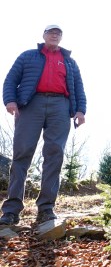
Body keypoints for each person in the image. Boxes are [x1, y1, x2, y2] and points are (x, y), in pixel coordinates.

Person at [0, 25, 86, 227]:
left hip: (61, 107)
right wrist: (10, 101)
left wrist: (81, 111)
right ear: (44, 36)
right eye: (51, 32)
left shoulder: (70, 62)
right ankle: (11, 210)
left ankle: (46, 209)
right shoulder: (28, 56)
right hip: (31, 105)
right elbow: (11, 80)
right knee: (22, 154)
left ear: (61, 38)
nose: (54, 35)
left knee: (55, 155)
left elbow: (79, 88)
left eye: (58, 33)